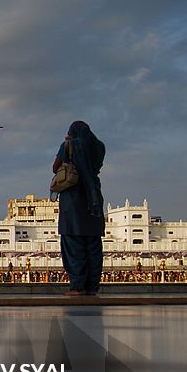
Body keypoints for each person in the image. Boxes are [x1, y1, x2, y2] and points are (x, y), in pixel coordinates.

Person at [53, 120, 106, 296]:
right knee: (93, 244)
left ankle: (77, 286)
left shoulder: (69, 144)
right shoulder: (99, 147)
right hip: (93, 198)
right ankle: (92, 286)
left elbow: (55, 168)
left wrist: (69, 144)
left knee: (73, 242)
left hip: (73, 198)